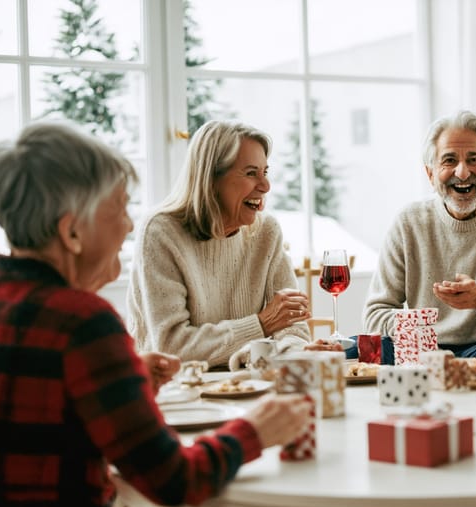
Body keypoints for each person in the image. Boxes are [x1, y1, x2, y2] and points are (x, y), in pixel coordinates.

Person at [0, 121, 311, 507]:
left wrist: (125, 377)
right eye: (119, 207)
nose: (129, 225)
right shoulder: (84, 325)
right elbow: (174, 480)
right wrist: (255, 431)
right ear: (72, 233)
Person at [127, 120, 340, 369]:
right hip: (177, 387)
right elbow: (171, 346)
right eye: (251, 173)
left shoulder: (266, 231)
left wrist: (298, 353)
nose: (265, 186)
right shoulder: (161, 232)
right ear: (211, 179)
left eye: (265, 172)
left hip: (249, 382)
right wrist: (261, 325)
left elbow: (291, 327)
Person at [348, 110, 476, 364]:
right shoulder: (408, 222)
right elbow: (375, 314)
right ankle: (448, 366)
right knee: (355, 348)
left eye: (474, 159)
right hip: (421, 349)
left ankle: (452, 367)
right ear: (430, 174)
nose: (463, 173)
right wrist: (423, 333)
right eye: (449, 160)